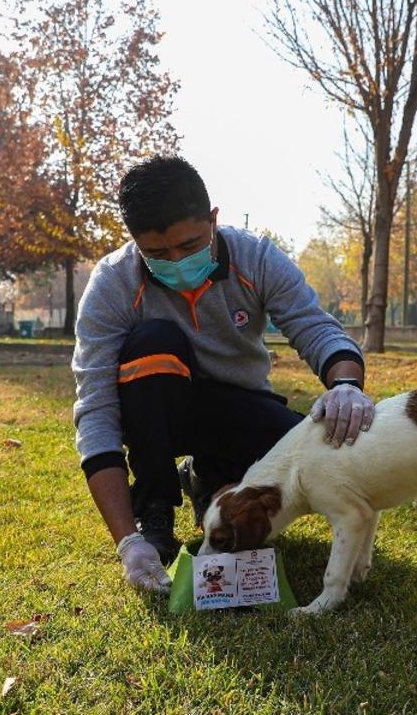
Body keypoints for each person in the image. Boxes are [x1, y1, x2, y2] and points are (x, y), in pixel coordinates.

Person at [72, 156, 375, 593]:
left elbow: (314, 326)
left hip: (240, 404)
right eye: (157, 253)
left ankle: (211, 477)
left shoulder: (256, 257)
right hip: (157, 409)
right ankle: (154, 505)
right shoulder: (113, 283)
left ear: (214, 220)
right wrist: (126, 541)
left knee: (311, 459)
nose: (176, 262)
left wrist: (345, 385)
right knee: (154, 343)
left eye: (190, 245)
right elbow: (96, 406)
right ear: (135, 241)